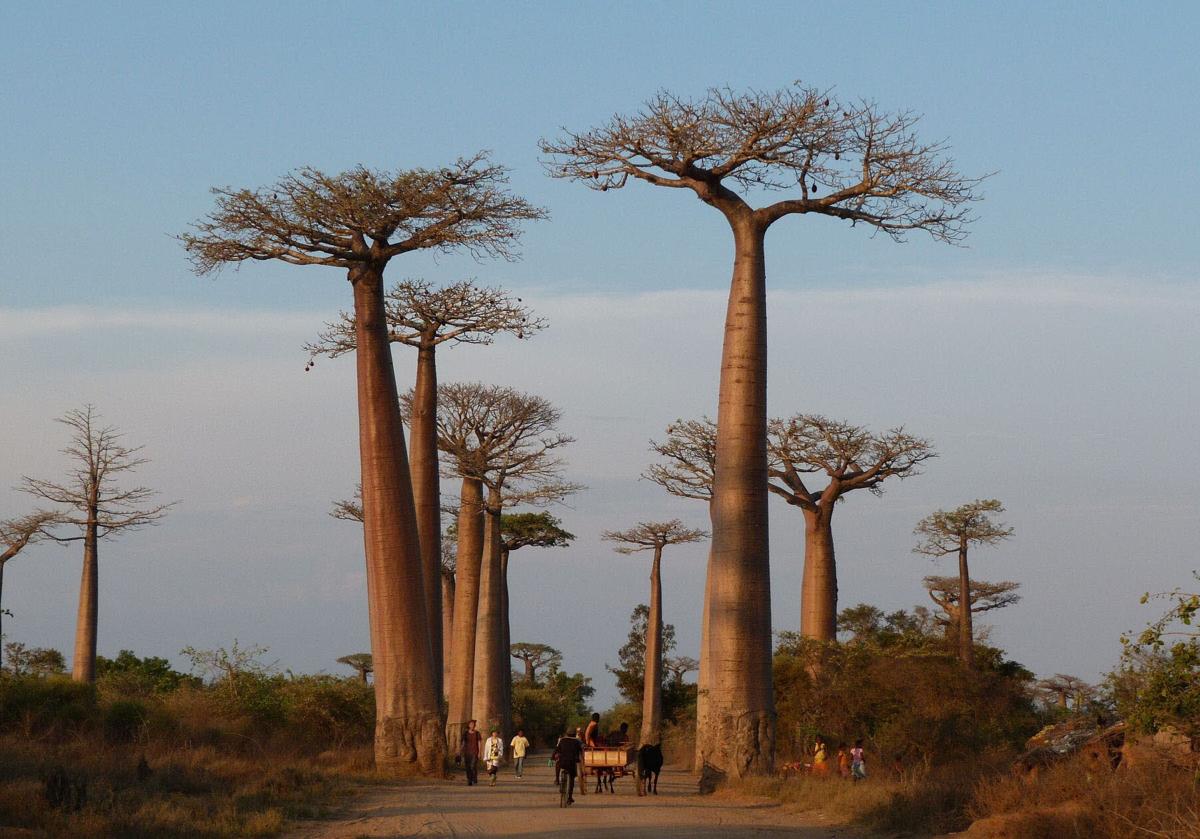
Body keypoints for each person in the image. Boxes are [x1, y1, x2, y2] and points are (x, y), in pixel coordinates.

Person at [554, 726, 584, 804]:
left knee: (557, 764)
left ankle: (557, 779)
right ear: (574, 734)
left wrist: (552, 758)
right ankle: (569, 797)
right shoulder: (577, 741)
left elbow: (556, 750)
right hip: (571, 763)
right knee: (571, 780)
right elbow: (581, 750)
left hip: (562, 762)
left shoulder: (562, 740)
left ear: (567, 733)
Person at [459, 720, 482, 786]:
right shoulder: (465, 733)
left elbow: (479, 743)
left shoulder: (477, 733)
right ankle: (469, 779)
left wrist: (479, 752)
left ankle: (474, 778)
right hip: (467, 752)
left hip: (475, 751)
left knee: (473, 766)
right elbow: (463, 743)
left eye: (473, 724)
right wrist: (460, 751)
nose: (472, 725)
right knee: (468, 767)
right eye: (471, 724)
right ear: (469, 725)